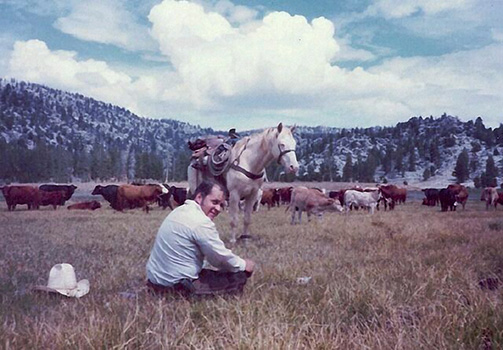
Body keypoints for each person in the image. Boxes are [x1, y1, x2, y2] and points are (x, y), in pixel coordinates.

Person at [146, 179, 255, 296]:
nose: (218, 209)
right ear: (199, 197)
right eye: (214, 202)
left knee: (216, 273)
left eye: (221, 205)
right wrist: (244, 264)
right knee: (239, 276)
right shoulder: (201, 222)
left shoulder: (179, 211)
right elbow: (219, 259)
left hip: (154, 283)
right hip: (175, 287)